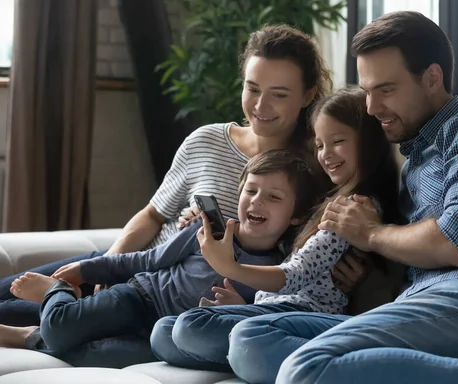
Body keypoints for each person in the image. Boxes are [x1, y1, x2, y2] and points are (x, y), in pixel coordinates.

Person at [222, 11, 458, 384]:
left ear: (432, 78)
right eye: (367, 91)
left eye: (385, 89)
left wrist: (370, 233)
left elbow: (456, 242)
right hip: (419, 308)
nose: (371, 107)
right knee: (249, 339)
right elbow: (398, 254)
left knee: (302, 369)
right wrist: (356, 276)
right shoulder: (410, 166)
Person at [0, 24, 368, 327]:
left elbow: (299, 267)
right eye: (252, 88)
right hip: (131, 266)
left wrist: (348, 279)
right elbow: (152, 215)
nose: (260, 106)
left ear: (308, 96)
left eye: (279, 95)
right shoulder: (206, 139)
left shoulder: (315, 174)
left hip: (164, 303)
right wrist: (105, 268)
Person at [0, 149, 326, 369]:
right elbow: (145, 260)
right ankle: (56, 291)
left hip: (160, 335)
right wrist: (86, 270)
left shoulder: (277, 271)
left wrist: (238, 308)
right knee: (59, 330)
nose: (257, 202)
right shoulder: (205, 230)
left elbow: (262, 315)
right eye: (251, 191)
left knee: (97, 356)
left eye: (273, 197)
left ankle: (28, 335)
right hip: (138, 297)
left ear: (297, 216)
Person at [149, 87, 400, 370]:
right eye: (319, 145)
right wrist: (245, 303)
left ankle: (314, 355)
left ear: (368, 142)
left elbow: (296, 274)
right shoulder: (322, 198)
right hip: (271, 306)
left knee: (190, 327)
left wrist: (230, 267)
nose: (326, 154)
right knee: (163, 332)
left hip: (300, 313)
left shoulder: (354, 209)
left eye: (337, 141)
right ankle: (246, 350)